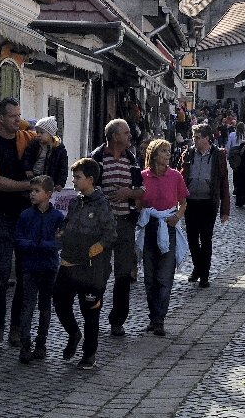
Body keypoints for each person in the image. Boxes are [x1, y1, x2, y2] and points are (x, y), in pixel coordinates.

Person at [0, 97, 35, 350]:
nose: (17, 120)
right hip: (2, 216)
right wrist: (26, 186)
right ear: (0, 118)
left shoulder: (28, 142)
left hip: (26, 217)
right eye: (13, 116)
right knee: (1, 272)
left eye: (19, 115)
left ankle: (16, 327)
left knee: (25, 273)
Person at [53, 158, 117, 370]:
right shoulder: (74, 201)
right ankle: (74, 334)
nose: (74, 180)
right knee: (60, 303)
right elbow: (68, 224)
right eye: (74, 177)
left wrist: (93, 250)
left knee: (90, 312)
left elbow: (110, 235)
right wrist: (62, 234)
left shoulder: (102, 204)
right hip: (69, 263)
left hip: (91, 269)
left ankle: (89, 354)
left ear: (90, 180)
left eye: (78, 177)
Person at [86, 119, 144, 336]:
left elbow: (141, 191)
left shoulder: (132, 160)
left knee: (123, 273)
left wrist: (126, 193)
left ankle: (117, 320)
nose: (131, 136)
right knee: (98, 272)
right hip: (101, 226)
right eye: (127, 133)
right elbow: (85, 188)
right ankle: (92, 315)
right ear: (115, 136)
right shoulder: (97, 158)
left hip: (125, 223)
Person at [138, 139, 188, 335]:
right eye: (164, 151)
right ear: (154, 154)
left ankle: (159, 320)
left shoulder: (175, 176)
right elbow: (138, 202)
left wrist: (177, 216)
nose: (168, 154)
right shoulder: (143, 177)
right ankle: (153, 316)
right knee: (149, 278)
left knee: (164, 277)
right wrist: (143, 215)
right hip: (149, 227)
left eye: (169, 151)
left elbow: (183, 202)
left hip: (168, 227)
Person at [14, 175, 66, 363]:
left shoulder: (57, 217)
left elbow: (60, 241)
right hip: (30, 267)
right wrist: (30, 245)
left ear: (48, 194)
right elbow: (18, 238)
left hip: (49, 267)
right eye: (31, 191)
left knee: (45, 308)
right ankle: (25, 344)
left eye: (37, 191)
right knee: (27, 306)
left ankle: (41, 343)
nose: (32, 194)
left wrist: (43, 245)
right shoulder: (26, 215)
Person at [181, 123, 231, 287]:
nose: (194, 140)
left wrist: (225, 209)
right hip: (190, 202)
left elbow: (224, 182)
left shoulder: (218, 155)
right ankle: (198, 267)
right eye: (194, 137)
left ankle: (204, 275)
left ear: (207, 138)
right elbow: (179, 176)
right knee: (192, 239)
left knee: (206, 239)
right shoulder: (188, 154)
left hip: (209, 202)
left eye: (197, 137)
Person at [25, 116, 68, 190]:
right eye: (37, 132)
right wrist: (27, 169)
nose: (38, 135)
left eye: (42, 132)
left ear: (50, 133)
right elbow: (27, 157)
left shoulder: (59, 149)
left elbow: (63, 168)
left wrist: (60, 183)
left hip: (49, 180)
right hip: (32, 177)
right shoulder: (34, 144)